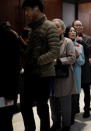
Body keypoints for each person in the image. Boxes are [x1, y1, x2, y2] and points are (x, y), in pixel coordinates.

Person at [21, 0, 60, 131]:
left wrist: (36, 60)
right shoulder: (32, 28)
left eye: (27, 10)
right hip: (29, 73)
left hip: (44, 74)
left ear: (36, 8)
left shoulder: (50, 26)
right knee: (25, 106)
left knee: (42, 108)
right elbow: (31, 50)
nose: (26, 14)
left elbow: (55, 51)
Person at [49, 19, 77, 131]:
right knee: (53, 102)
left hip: (64, 77)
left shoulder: (67, 42)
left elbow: (72, 58)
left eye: (57, 27)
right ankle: (55, 123)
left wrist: (58, 61)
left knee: (65, 103)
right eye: (52, 26)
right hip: (51, 76)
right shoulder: (48, 42)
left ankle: (66, 125)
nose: (54, 29)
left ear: (63, 29)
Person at [0, 22, 21, 131]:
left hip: (5, 87)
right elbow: (17, 65)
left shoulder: (8, 37)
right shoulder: (12, 37)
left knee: (4, 117)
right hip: (9, 87)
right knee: (6, 117)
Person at [73, 20, 91, 118]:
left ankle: (87, 109)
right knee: (74, 90)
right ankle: (75, 108)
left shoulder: (88, 38)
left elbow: (90, 49)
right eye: (76, 26)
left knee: (86, 90)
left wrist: (81, 41)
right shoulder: (69, 38)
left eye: (80, 25)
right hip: (74, 67)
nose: (78, 27)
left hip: (85, 68)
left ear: (82, 27)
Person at [65, 26, 85, 125]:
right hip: (65, 74)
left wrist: (77, 56)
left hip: (75, 75)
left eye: (74, 31)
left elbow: (82, 62)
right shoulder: (63, 44)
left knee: (74, 99)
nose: (73, 32)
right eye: (70, 31)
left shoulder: (79, 46)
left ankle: (71, 118)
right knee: (65, 98)